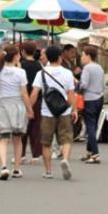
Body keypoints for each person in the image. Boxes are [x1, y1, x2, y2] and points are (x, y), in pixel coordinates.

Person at [0, 44, 33, 180]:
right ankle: (17, 169)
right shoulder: (21, 72)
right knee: (18, 139)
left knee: (3, 139)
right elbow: (24, 93)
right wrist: (29, 109)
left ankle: (4, 166)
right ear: (16, 56)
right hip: (18, 105)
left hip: (3, 104)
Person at [30, 45, 77, 180]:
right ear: (59, 57)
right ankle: (65, 160)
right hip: (64, 110)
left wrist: (29, 109)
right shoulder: (67, 73)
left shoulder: (41, 73)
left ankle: (48, 171)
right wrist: (74, 110)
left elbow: (34, 93)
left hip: (47, 112)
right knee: (66, 139)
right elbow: (71, 94)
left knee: (46, 142)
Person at [79, 45, 105, 164]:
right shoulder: (99, 67)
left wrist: (76, 84)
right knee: (93, 125)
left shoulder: (87, 68)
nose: (81, 57)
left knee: (90, 126)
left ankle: (95, 154)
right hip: (99, 97)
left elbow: (83, 84)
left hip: (89, 98)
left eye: (83, 55)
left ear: (88, 56)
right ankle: (89, 152)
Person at [19, 42, 43, 164]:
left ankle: (21, 155)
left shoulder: (20, 66)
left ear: (23, 52)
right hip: (37, 99)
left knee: (22, 128)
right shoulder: (39, 66)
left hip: (22, 99)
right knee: (36, 128)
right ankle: (35, 155)